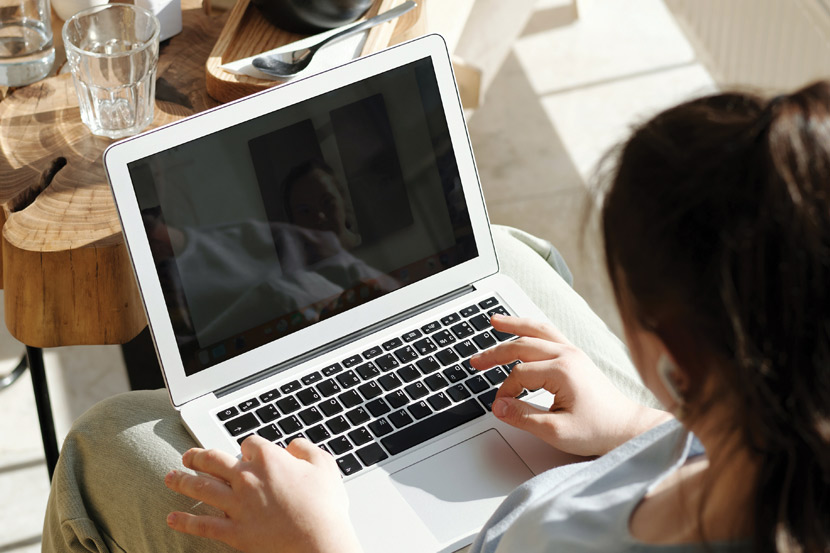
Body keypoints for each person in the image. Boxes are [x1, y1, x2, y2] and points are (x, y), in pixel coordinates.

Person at [42, 82, 829, 553]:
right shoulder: (759, 453)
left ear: (675, 354)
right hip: (613, 448)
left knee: (102, 444)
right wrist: (637, 427)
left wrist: (319, 542)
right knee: (508, 251)